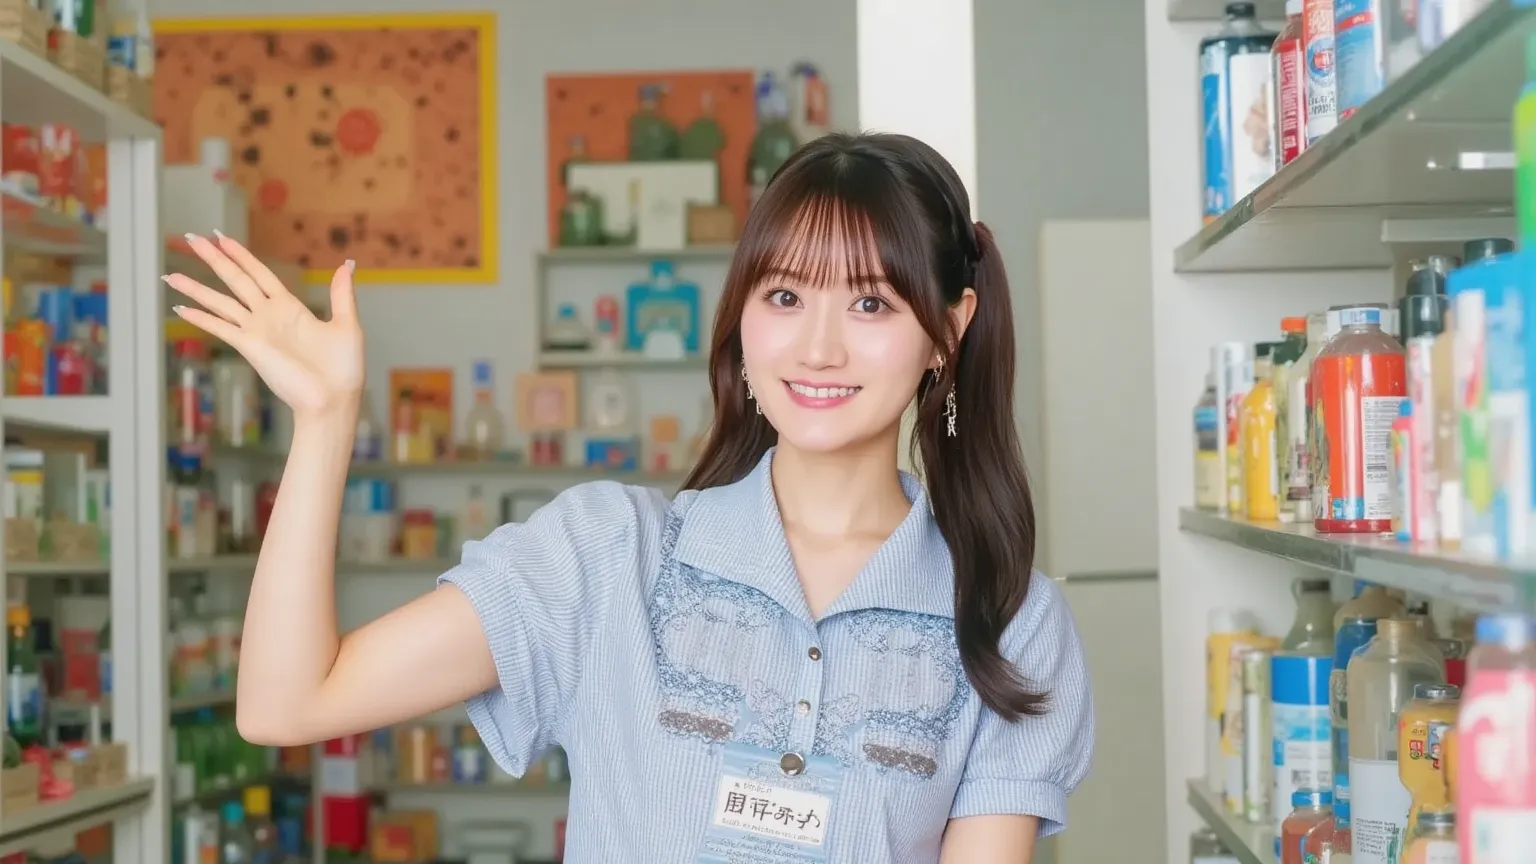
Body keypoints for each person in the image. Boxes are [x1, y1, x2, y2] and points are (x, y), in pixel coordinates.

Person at [165, 132, 1094, 863]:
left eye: (870, 304)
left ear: (948, 332)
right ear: (740, 319)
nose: (818, 348)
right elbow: (286, 706)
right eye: (783, 297)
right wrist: (325, 422)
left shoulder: (1011, 623)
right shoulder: (609, 555)